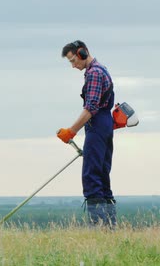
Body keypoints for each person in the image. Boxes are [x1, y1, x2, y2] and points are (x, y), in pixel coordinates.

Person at [57, 40, 117, 227]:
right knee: (102, 175)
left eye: (73, 60)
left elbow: (90, 108)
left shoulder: (94, 73)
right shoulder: (102, 69)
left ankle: (97, 226)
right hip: (105, 125)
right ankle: (109, 227)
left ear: (82, 53)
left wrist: (71, 132)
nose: (73, 66)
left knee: (91, 176)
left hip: (97, 125)